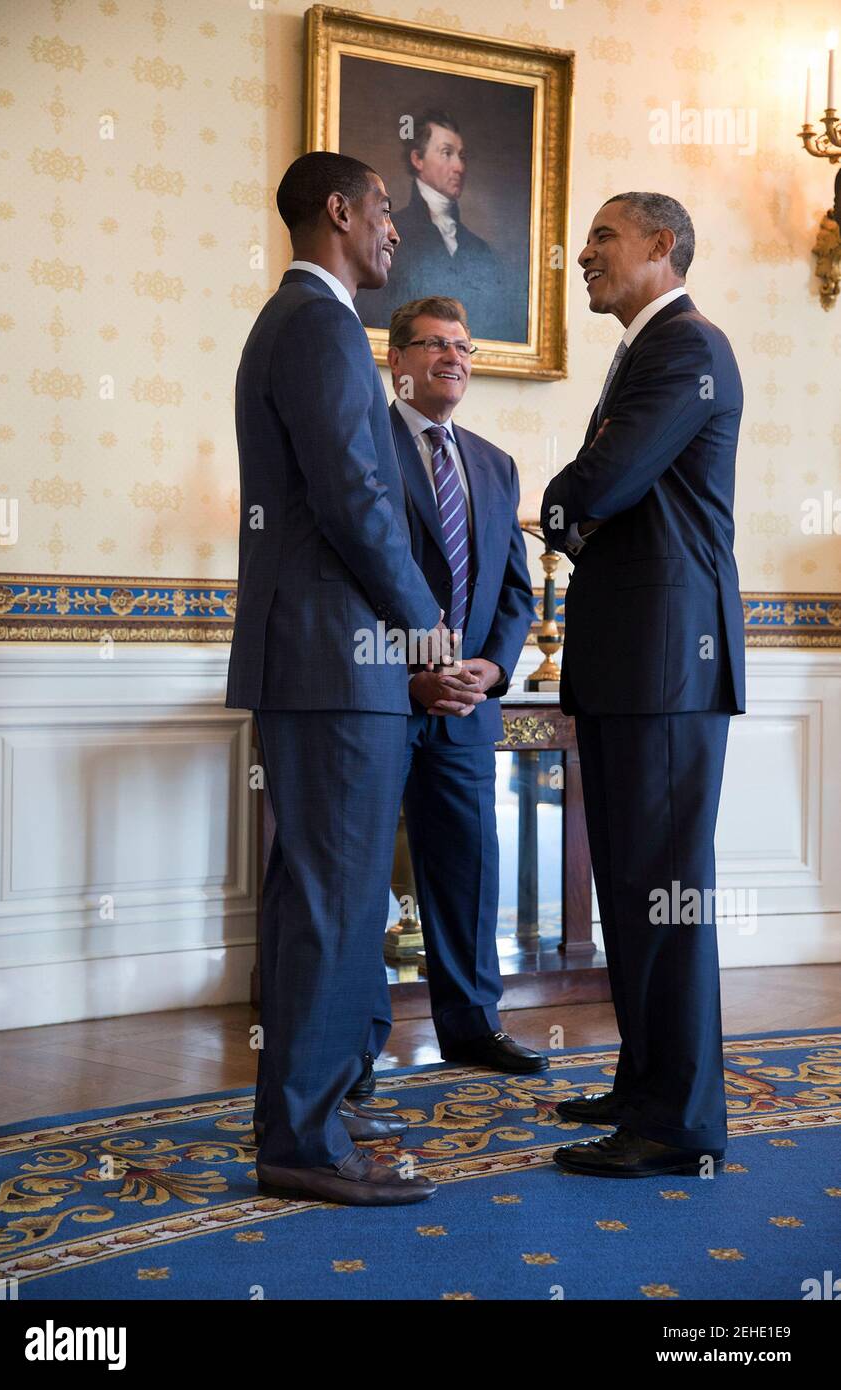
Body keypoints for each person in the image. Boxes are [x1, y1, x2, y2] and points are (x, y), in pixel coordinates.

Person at [225, 151, 445, 1206]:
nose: (395, 232)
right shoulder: (315, 324)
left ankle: (302, 1118)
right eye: (386, 211)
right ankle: (305, 1146)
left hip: (323, 654)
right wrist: (426, 630)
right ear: (340, 209)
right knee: (330, 898)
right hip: (330, 652)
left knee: (321, 896)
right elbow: (356, 500)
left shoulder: (305, 322)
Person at [541, 192, 745, 1178]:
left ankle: (678, 1121)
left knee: (665, 891)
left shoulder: (685, 348)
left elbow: (603, 480)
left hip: (669, 664)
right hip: (636, 664)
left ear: (661, 247)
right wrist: (577, 506)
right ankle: (642, 1084)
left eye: (602, 240)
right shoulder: (647, 350)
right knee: (632, 889)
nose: (583, 256)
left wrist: (560, 502)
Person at [346, 296, 539, 1099]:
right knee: (359, 879)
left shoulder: (495, 465)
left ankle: (472, 1023)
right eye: (433, 345)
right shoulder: (363, 449)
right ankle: (355, 1047)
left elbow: (516, 593)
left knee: (468, 868)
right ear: (398, 360)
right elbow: (354, 582)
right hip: (384, 699)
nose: (454, 357)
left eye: (464, 346)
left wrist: (492, 670)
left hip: (467, 708)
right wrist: (409, 675)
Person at [355, 111, 525, 342]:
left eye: (462, 156)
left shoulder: (481, 251)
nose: (459, 167)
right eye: (447, 153)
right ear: (417, 159)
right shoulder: (386, 239)